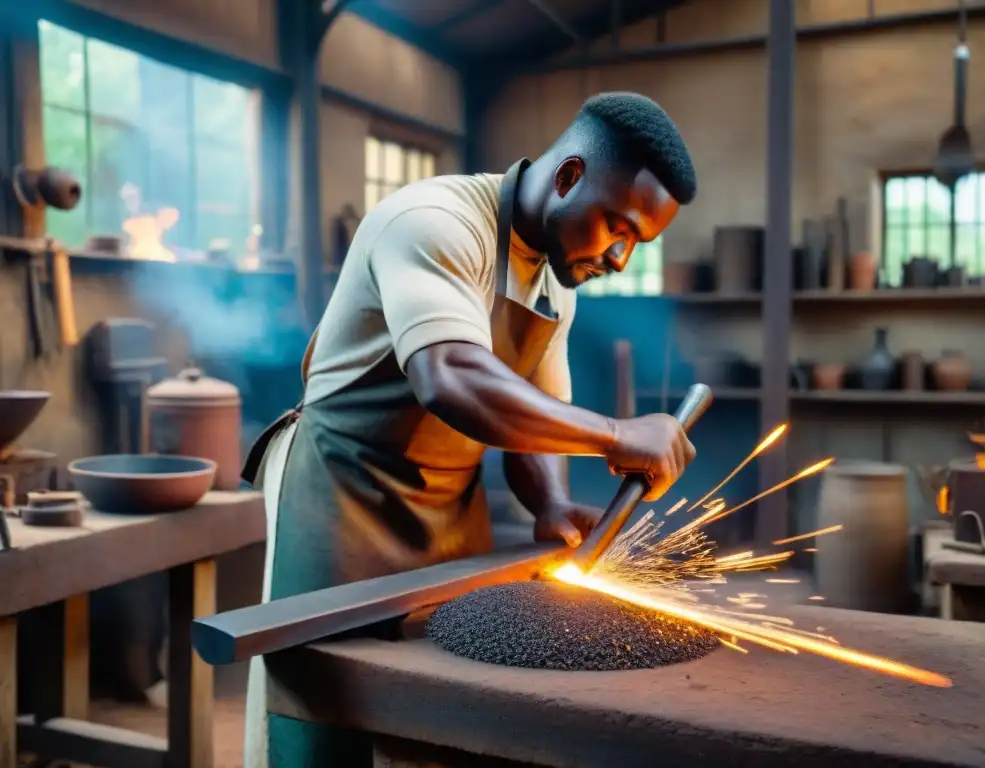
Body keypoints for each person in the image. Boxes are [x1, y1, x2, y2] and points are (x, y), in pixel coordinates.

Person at [243, 91, 698, 767]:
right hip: (341, 495)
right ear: (569, 176)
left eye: (638, 244)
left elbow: (532, 414)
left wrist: (548, 503)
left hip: (451, 510)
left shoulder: (554, 285)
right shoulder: (435, 222)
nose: (620, 260)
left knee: (445, 718)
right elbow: (450, 377)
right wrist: (616, 435)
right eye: (619, 229)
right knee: (324, 716)